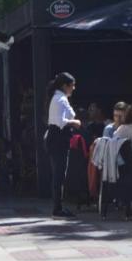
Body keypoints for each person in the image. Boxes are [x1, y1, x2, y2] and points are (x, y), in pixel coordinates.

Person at [45, 73, 81, 217]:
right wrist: (75, 122)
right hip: (58, 139)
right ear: (65, 86)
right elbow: (60, 122)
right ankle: (57, 207)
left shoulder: (60, 98)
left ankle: (58, 205)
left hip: (58, 139)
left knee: (60, 173)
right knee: (59, 173)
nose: (73, 88)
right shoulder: (59, 99)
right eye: (72, 85)